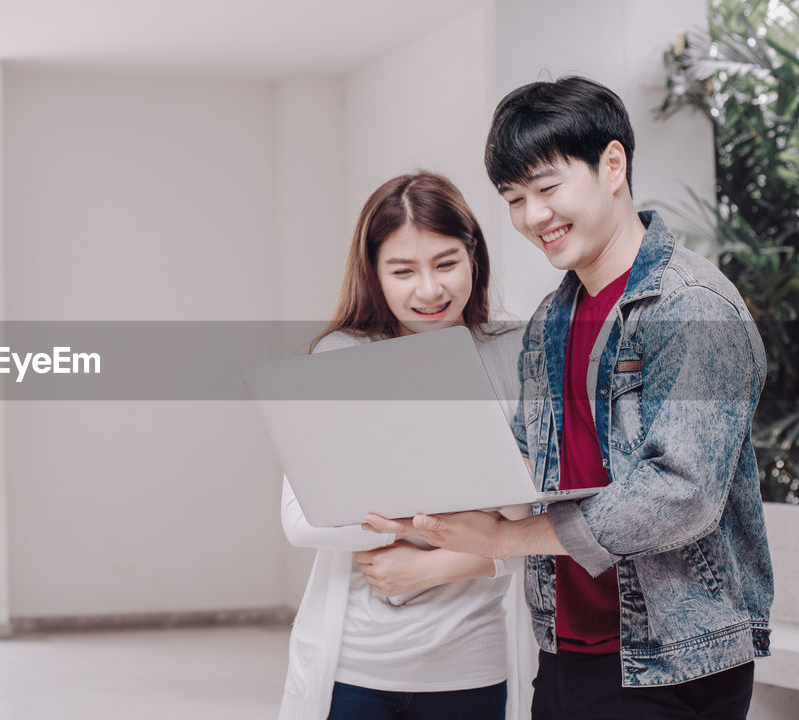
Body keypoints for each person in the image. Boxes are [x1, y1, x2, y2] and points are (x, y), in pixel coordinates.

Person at [366, 77, 771, 720]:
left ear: (613, 165)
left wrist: (505, 540)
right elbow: (538, 465)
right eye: (515, 198)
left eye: (548, 189)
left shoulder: (691, 306)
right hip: (566, 645)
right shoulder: (554, 318)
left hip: (673, 658)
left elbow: (681, 494)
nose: (533, 217)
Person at [280, 172, 534, 720]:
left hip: (473, 667)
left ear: (473, 255)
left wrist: (446, 563)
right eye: (403, 270)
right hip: (358, 667)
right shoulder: (342, 358)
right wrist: (472, 519)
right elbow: (302, 520)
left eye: (446, 263)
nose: (429, 290)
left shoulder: (516, 353)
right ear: (374, 272)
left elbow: (542, 521)